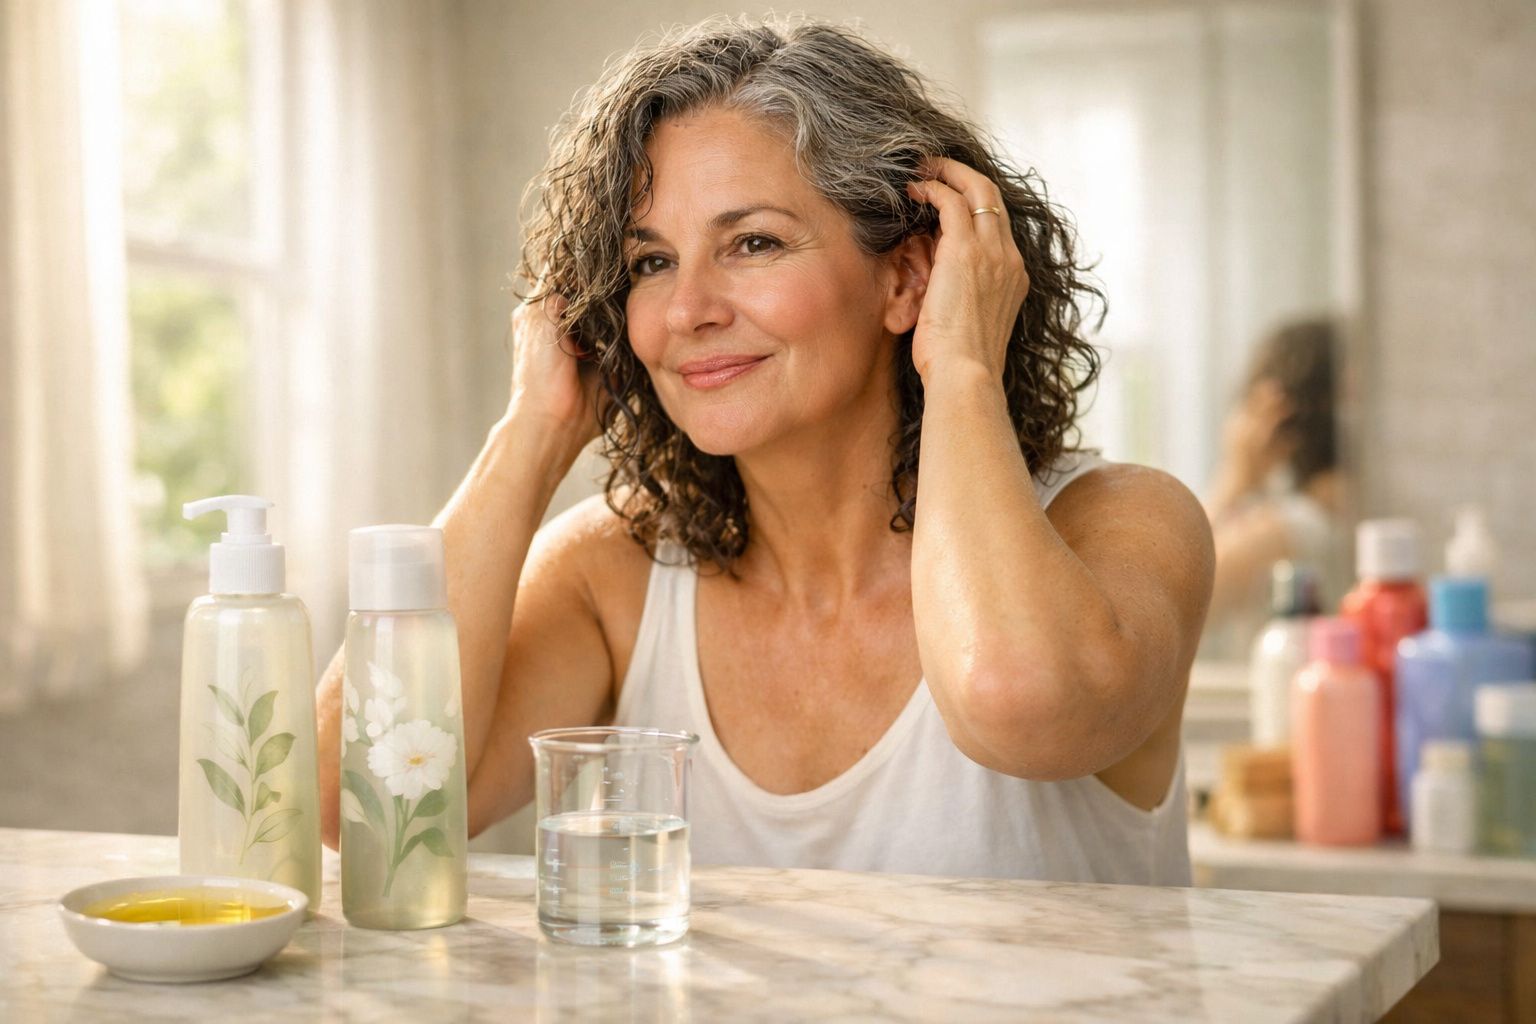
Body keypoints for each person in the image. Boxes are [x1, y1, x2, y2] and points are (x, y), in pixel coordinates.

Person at [317, 17, 1214, 884]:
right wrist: (532, 431)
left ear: (908, 277)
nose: (687, 311)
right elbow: (359, 806)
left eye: (752, 243)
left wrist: (961, 364)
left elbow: (1017, 700)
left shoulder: (1123, 523)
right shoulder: (617, 574)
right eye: (651, 263)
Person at [1203, 319, 1344, 657]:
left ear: (1277, 412)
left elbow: (1170, 595)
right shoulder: (1334, 508)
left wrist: (1233, 478)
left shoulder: (1296, 524)